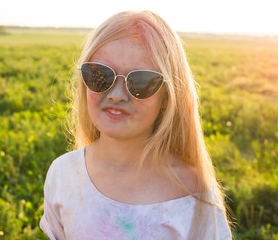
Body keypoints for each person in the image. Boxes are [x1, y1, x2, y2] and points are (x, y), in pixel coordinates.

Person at [40, 10, 232, 240]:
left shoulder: (192, 191)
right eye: (100, 75)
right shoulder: (64, 174)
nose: (117, 95)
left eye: (140, 82)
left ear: (167, 98)